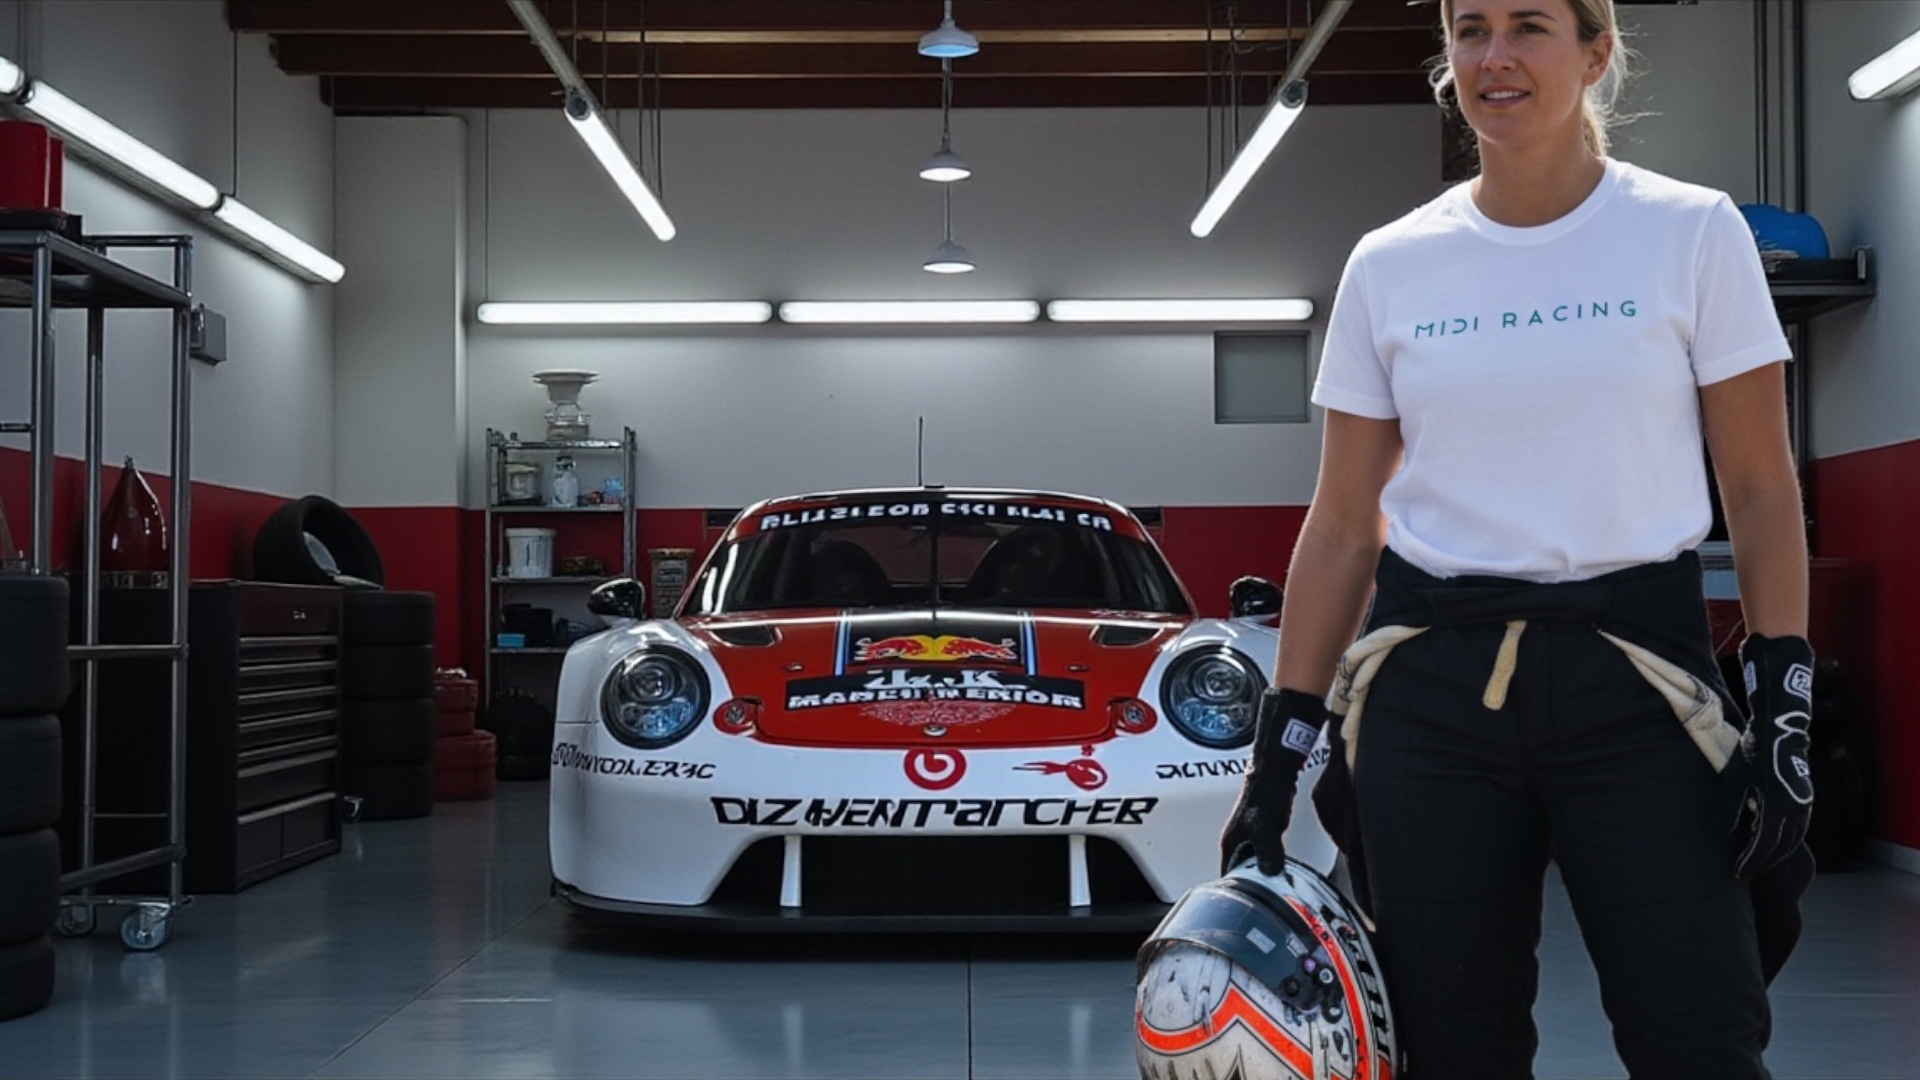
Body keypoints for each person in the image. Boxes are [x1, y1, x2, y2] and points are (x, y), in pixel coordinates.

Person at [1217, 0, 1817, 1076]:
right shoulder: (1391, 263)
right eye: (1471, 28)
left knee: (1701, 1039)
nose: (1494, 57)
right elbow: (1344, 523)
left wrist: (1785, 701)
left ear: (1596, 53)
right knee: (1452, 1049)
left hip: (1636, 682)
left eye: (1530, 25)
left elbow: (1762, 485)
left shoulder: (1691, 231)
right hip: (1429, 692)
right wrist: (1280, 749)